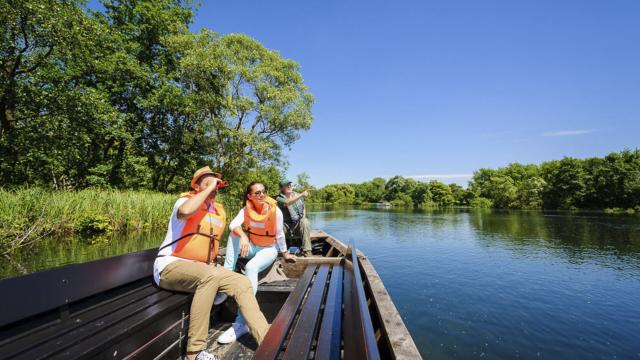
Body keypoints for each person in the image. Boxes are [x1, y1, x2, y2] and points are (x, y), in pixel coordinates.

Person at [154, 167, 270, 360]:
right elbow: (186, 212)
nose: (213, 187)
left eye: (216, 184)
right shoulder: (184, 201)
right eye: (207, 183)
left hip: (201, 270)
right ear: (197, 186)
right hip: (169, 266)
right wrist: (208, 189)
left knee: (241, 282)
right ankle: (194, 352)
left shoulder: (216, 211)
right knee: (211, 275)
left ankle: (267, 338)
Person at [216, 181, 297, 344]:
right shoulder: (246, 209)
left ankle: (241, 322)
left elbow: (280, 234)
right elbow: (233, 225)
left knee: (251, 267)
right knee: (234, 235)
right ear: (249, 196)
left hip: (269, 249)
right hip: (252, 247)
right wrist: (244, 237)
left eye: (264, 192)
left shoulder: (276, 211)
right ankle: (226, 279)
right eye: (257, 193)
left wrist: (286, 254)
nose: (262, 195)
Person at [275, 179, 313, 257]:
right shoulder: (279, 198)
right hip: (285, 226)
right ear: (282, 188)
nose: (289, 186)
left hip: (297, 225)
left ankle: (308, 252)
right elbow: (288, 202)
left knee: (305, 221)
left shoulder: (297, 195)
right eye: (286, 185)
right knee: (278, 226)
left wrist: (303, 218)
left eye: (290, 185)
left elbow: (303, 208)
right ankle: (279, 252)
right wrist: (302, 194)